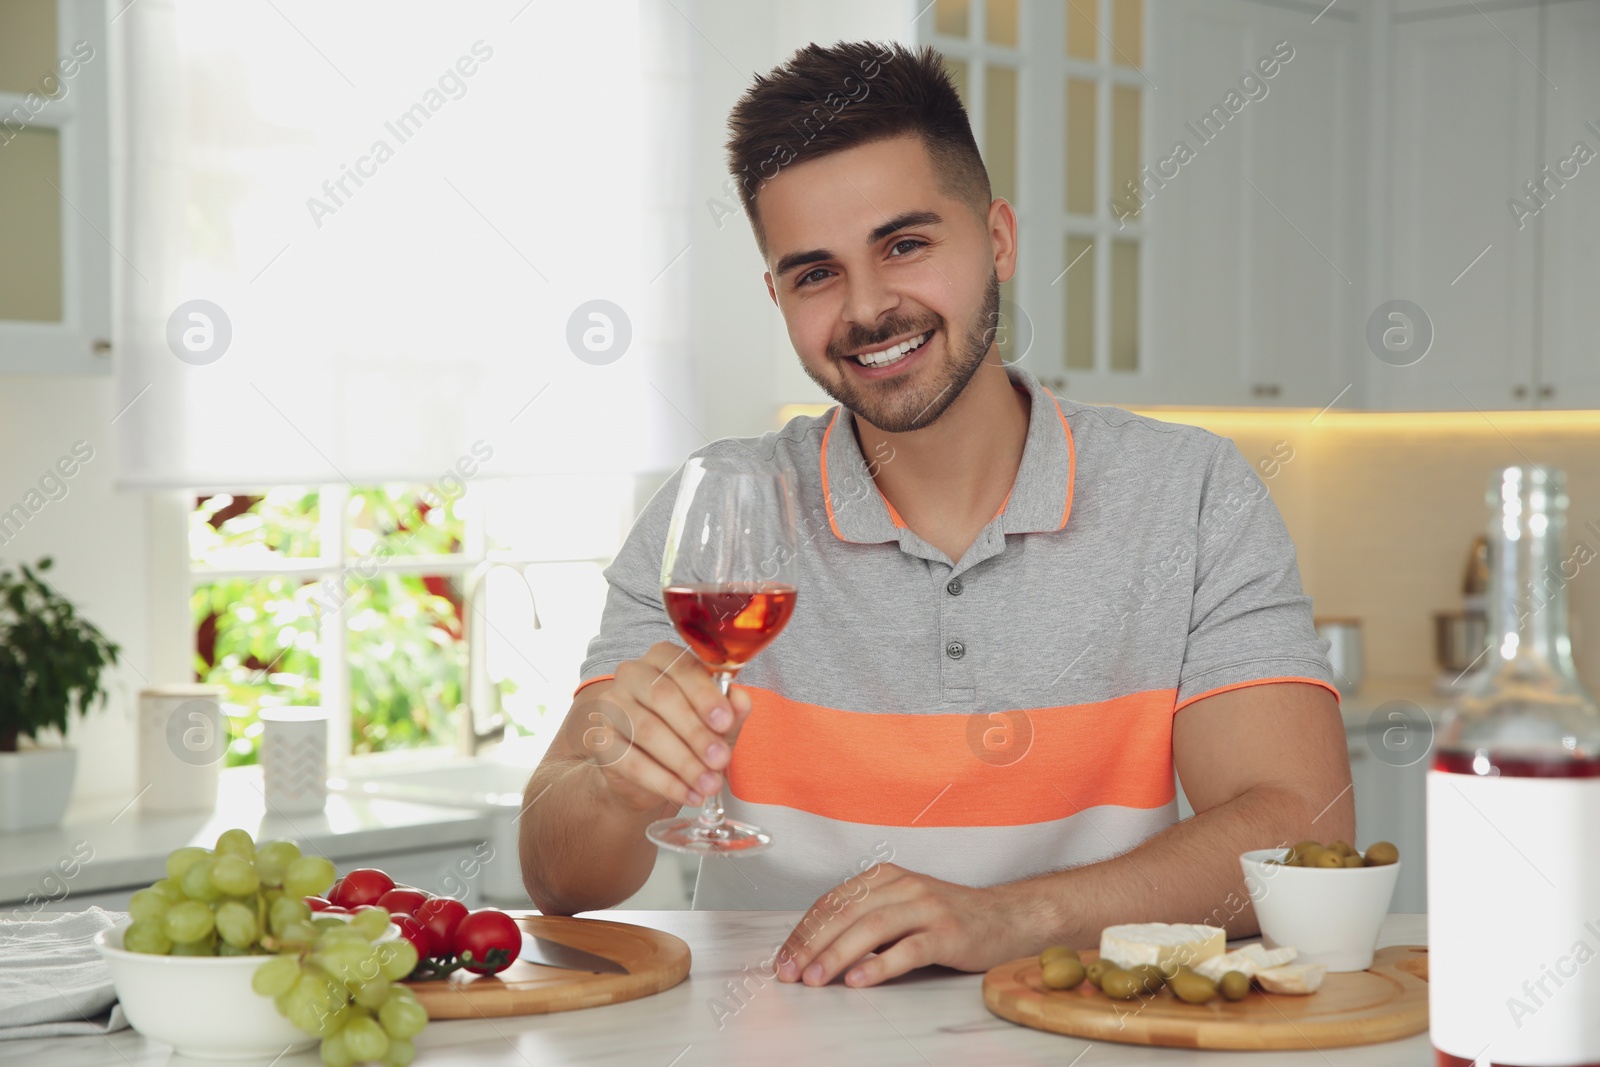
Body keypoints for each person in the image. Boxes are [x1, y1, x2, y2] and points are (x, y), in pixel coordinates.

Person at [519, 40, 1352, 990]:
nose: (869, 308)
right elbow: (557, 875)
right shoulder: (721, 513)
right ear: (778, 295)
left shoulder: (1190, 494)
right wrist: (611, 786)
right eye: (815, 273)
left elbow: (1302, 827)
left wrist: (1006, 917)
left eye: (905, 244)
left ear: (996, 238)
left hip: (1093, 1038)